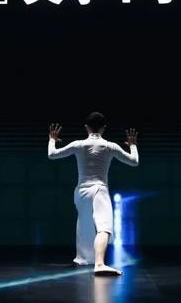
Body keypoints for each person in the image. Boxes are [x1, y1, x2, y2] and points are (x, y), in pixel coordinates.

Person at [47, 111, 139, 276]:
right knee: (104, 228)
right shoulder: (110, 146)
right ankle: (99, 264)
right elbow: (134, 161)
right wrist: (132, 145)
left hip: (80, 192)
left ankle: (84, 259)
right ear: (104, 128)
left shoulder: (78, 144)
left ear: (86, 127)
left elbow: (52, 154)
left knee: (85, 227)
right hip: (99, 190)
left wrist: (52, 139)